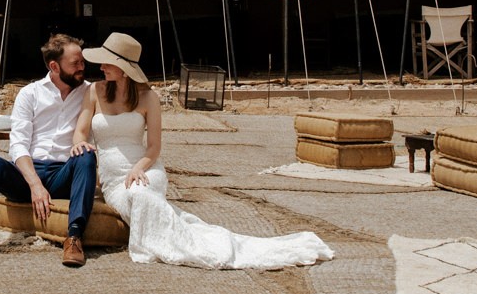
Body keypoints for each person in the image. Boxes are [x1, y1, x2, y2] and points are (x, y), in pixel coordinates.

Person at [75, 32, 334, 270]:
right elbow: (81, 131)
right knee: (140, 200)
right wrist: (80, 145)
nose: (101, 67)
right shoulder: (94, 91)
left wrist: (138, 168)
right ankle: (198, 241)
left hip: (145, 169)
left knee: (143, 194)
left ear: (123, 69)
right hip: (114, 182)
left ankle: (201, 246)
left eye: (107, 62)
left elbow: (154, 147)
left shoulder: (148, 98)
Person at [0, 34, 97, 270]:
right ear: (54, 66)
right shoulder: (30, 94)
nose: (82, 68)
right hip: (28, 175)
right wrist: (35, 185)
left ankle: (74, 238)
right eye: (75, 64)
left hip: (65, 173)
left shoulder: (90, 92)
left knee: (86, 154)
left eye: (82, 62)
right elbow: (18, 145)